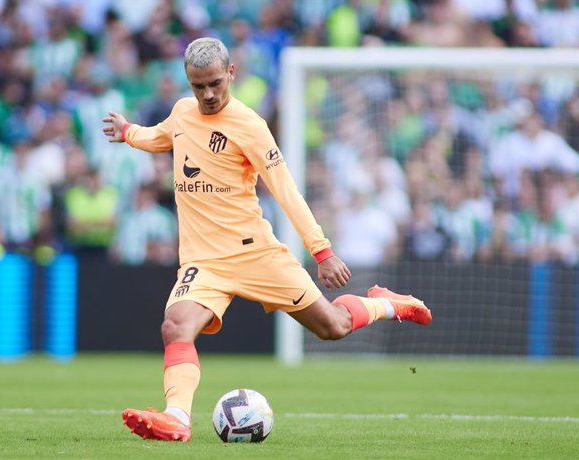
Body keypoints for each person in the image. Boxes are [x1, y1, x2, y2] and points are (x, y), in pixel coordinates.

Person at [101, 37, 432, 442]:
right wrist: (130, 131)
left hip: (254, 253)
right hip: (204, 262)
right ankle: (177, 418)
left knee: (332, 326)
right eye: (198, 86)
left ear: (231, 74)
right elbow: (163, 136)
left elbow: (286, 190)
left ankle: (387, 303)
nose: (207, 94)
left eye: (215, 84)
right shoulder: (183, 112)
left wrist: (322, 250)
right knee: (175, 327)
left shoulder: (250, 126)